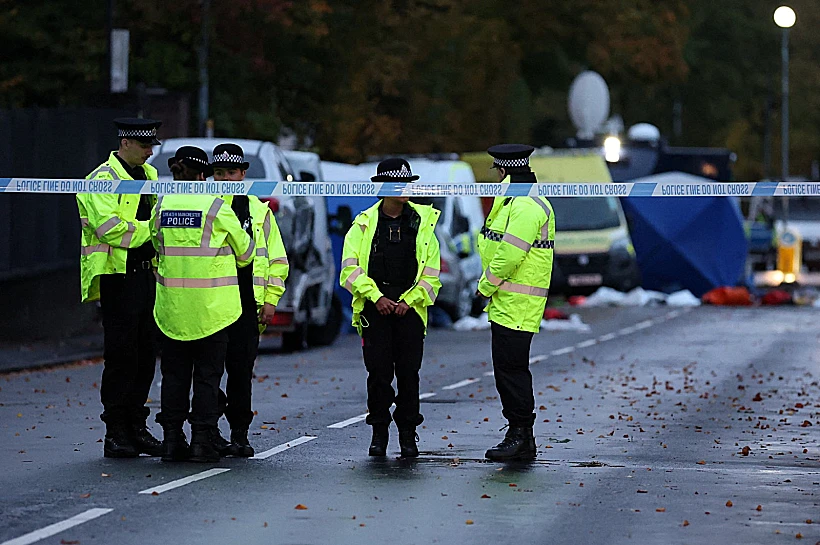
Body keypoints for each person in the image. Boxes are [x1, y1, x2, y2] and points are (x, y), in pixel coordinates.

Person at [151, 146, 255, 463]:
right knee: (207, 379)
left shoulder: (162, 205)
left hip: (172, 309)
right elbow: (246, 252)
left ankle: (171, 441)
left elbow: (156, 243)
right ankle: (201, 442)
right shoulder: (215, 207)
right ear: (203, 175)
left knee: (174, 377)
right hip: (212, 311)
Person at [340, 158, 441, 458]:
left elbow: (432, 274)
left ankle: (408, 435)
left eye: (408, 183)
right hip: (376, 310)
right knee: (379, 375)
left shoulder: (423, 225)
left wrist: (410, 301)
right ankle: (379, 433)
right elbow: (349, 270)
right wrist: (376, 297)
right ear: (381, 187)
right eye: (398, 184)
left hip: (410, 311)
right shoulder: (363, 224)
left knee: (409, 374)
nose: (405, 189)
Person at [77, 117, 164, 458]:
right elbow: (112, 230)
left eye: (151, 146)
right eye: (144, 146)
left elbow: (158, 217)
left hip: (147, 275)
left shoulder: (152, 177)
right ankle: (115, 431)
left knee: (145, 356)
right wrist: (151, 232)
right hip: (117, 276)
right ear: (124, 143)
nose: (148, 152)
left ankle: (136, 426)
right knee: (121, 356)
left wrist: (151, 231)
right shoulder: (100, 180)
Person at [476, 144, 555, 462]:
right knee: (509, 369)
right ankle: (519, 434)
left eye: (496, 171)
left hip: (516, 301)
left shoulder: (523, 204)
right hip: (510, 299)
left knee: (511, 371)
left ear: (503, 170)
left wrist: (484, 288)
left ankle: (521, 435)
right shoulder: (517, 199)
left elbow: (510, 254)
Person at [211, 143, 288, 457]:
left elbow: (277, 260)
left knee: (241, 374)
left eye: (231, 172)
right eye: (219, 173)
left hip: (247, 305)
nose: (226, 178)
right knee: (209, 371)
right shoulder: (208, 207)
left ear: (243, 173)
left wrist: (270, 300)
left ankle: (239, 434)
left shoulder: (259, 211)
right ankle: (210, 430)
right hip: (213, 303)